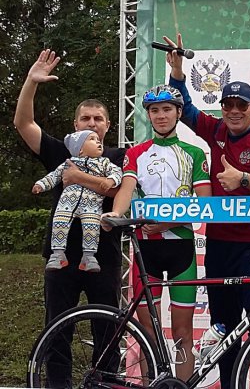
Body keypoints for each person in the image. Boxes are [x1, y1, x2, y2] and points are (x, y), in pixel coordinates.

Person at [164, 34, 250, 389]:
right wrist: (178, 73)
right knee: (225, 327)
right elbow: (187, 110)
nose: (234, 111)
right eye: (228, 105)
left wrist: (246, 180)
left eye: (241, 105)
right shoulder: (218, 130)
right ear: (222, 107)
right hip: (219, 245)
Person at [14, 49, 125, 386]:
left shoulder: (119, 157)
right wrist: (31, 82)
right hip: (60, 258)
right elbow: (23, 124)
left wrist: (78, 178)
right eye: (85, 119)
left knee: (108, 333)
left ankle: (104, 384)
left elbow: (116, 189)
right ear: (75, 124)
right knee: (57, 331)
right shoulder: (61, 152)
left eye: (98, 119)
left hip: (104, 256)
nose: (92, 123)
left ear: (108, 125)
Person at [101, 84, 211, 381]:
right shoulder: (136, 153)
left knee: (183, 332)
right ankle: (151, 384)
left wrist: (167, 223)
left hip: (181, 250)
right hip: (145, 249)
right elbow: (126, 189)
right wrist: (116, 213)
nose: (161, 116)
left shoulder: (194, 153)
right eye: (154, 110)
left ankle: (182, 385)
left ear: (178, 113)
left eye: (166, 109)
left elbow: (206, 204)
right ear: (148, 115)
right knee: (147, 331)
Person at [33, 129, 122, 272]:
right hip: (67, 201)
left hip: (92, 203)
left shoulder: (104, 163)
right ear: (79, 149)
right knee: (59, 222)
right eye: (92, 139)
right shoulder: (69, 163)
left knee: (92, 227)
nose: (98, 142)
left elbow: (118, 172)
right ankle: (58, 254)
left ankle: (89, 257)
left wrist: (111, 180)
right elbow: (54, 176)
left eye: (98, 139)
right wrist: (41, 185)